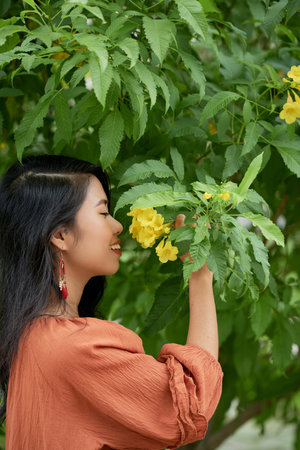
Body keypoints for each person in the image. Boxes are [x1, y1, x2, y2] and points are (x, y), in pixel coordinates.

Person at [0, 154, 223, 450]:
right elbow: (190, 403)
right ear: (61, 235)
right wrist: (200, 277)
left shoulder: (28, 337)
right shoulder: (76, 350)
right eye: (103, 213)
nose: (117, 226)